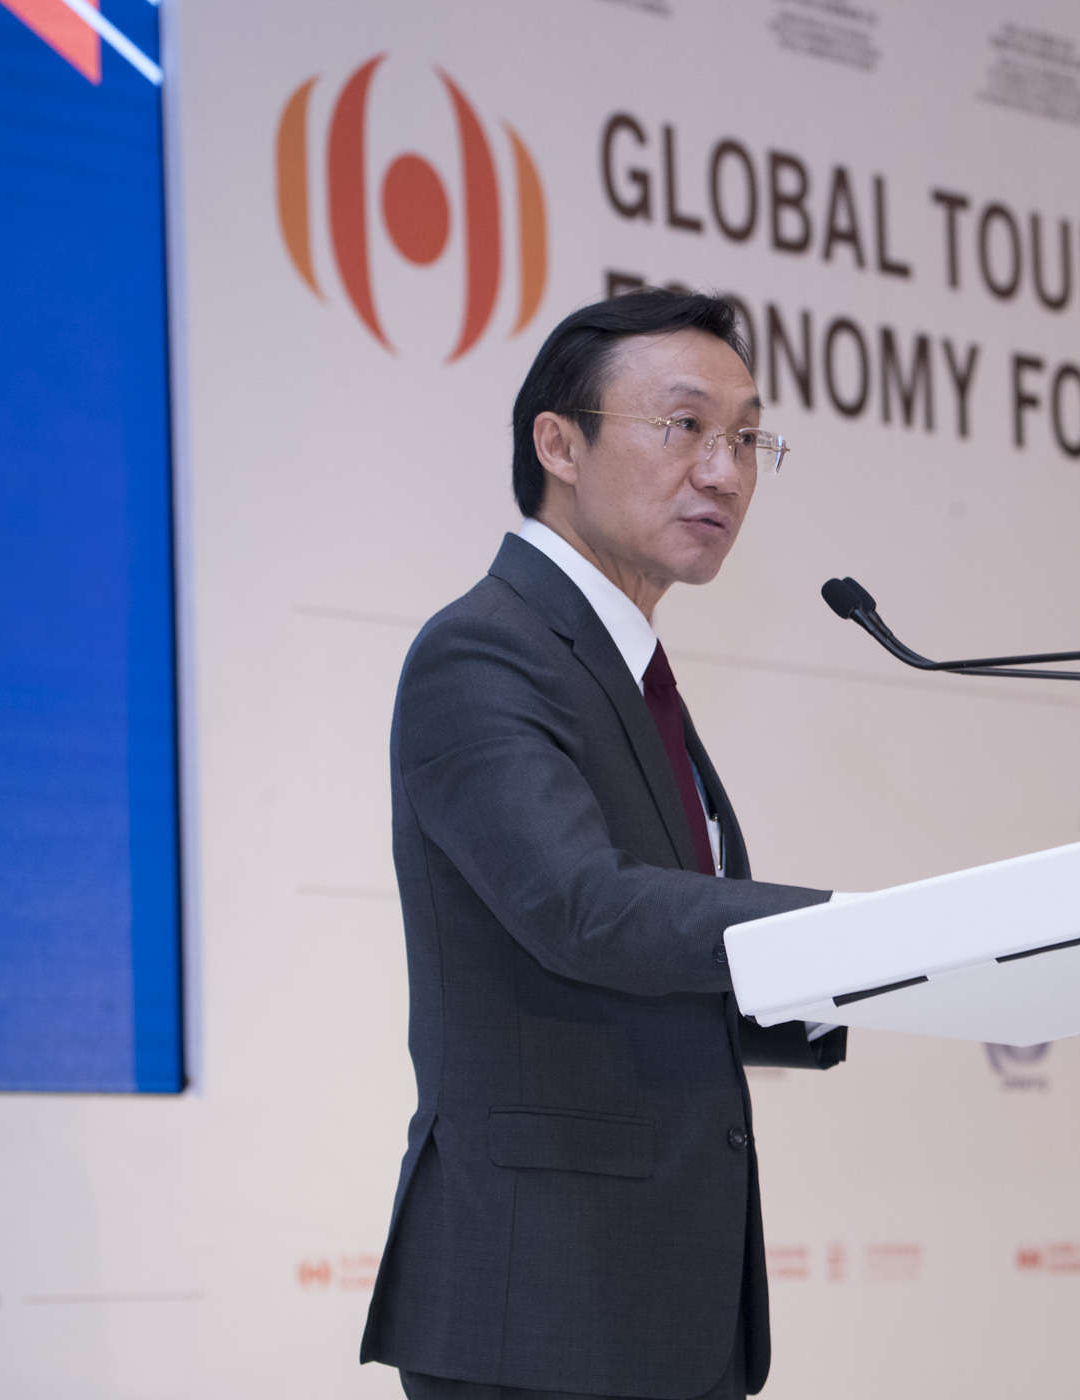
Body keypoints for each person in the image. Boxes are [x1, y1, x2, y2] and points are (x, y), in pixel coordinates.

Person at [360, 289, 846, 1400]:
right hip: (539, 1307)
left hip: (661, 1303)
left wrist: (895, 968)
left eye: (746, 438)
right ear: (560, 444)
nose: (724, 472)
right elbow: (581, 908)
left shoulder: (620, 667)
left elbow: (666, 968)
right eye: (684, 426)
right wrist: (849, 930)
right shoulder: (485, 650)